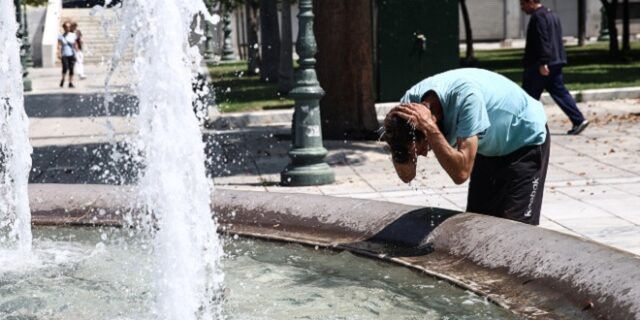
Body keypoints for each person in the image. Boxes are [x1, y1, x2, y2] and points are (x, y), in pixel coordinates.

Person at [383, 68, 550, 226]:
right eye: (418, 153)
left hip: (525, 140)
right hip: (488, 147)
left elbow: (461, 173)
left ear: (434, 118)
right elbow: (407, 176)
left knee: (516, 231)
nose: (426, 153)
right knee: (478, 224)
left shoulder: (467, 99)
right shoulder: (407, 110)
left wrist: (430, 128)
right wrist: (398, 147)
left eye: (424, 146)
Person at [520, 0, 589, 135]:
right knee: (559, 92)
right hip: (556, 60)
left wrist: (543, 62)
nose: (522, 8)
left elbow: (543, 39)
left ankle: (523, 127)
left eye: (523, 4)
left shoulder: (538, 17)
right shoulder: (551, 14)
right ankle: (578, 120)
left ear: (531, 2)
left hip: (541, 64)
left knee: (527, 97)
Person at [57, 21, 78, 88]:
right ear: (64, 28)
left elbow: (75, 44)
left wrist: (77, 52)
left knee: (71, 69)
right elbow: (59, 45)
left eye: (69, 27)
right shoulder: (61, 36)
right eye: (66, 27)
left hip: (72, 54)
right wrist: (59, 53)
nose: (67, 28)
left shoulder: (72, 35)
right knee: (65, 68)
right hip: (64, 54)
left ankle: (70, 82)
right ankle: (63, 79)